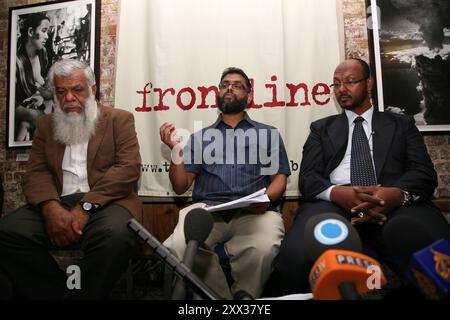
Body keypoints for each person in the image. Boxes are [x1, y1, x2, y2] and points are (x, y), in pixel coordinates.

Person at [268, 58, 450, 296]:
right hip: (334, 205)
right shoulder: (321, 128)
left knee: (425, 241)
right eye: (336, 84)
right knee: (297, 255)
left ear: (369, 83)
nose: (342, 89)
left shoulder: (400, 124)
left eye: (350, 81)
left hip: (394, 203)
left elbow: (423, 173)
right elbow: (308, 178)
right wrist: (337, 193)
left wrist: (394, 195)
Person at [0, 59, 142, 299]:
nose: (68, 98)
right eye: (61, 91)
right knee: (7, 232)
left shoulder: (120, 119)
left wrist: (85, 208)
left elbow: (128, 169)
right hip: (59, 200)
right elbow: (36, 172)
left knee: (117, 237)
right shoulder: (46, 124)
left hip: (106, 203)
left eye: (77, 90)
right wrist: (51, 208)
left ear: (93, 89)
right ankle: (56, 294)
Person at [159, 67, 291, 299]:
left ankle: (246, 297)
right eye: (225, 84)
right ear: (217, 93)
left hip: (254, 213)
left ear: (250, 97)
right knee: (180, 246)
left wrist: (266, 199)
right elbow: (180, 186)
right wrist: (176, 150)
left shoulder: (267, 134)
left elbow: (279, 178)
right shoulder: (200, 138)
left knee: (264, 245)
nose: (229, 88)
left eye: (238, 85)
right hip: (208, 212)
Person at [15, 12, 54, 141]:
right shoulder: (17, 62)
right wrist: (31, 114)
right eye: (43, 30)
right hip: (27, 114)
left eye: (48, 31)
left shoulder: (43, 54)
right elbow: (11, 104)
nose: (47, 36)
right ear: (31, 32)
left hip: (41, 105)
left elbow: (44, 83)